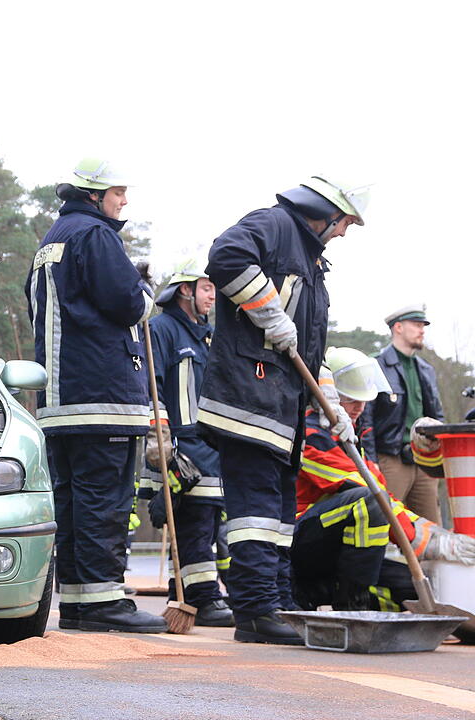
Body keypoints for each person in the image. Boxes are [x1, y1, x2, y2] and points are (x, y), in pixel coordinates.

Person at [198, 176, 370, 644]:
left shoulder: (312, 263)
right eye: (346, 223)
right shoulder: (273, 226)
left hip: (282, 411)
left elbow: (310, 355)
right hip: (248, 404)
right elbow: (226, 255)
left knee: (278, 516)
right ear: (326, 210)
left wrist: (334, 408)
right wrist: (269, 311)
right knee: (255, 511)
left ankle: (277, 603)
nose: (344, 233)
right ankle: (254, 612)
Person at [25, 157, 166, 633]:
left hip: (59, 402)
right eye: (118, 192)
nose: (124, 201)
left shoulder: (50, 242)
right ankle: (105, 601)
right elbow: (128, 302)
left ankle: (83, 603)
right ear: (94, 195)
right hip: (102, 396)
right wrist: (144, 288)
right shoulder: (96, 235)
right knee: (105, 502)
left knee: (72, 502)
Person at [293, 347, 475, 610]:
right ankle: (353, 606)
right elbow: (372, 496)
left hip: (336, 549)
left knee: (410, 589)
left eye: (364, 399)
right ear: (330, 394)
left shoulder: (351, 436)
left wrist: (434, 534)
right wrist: (429, 541)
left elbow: (384, 497)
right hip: (304, 544)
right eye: (350, 398)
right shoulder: (312, 433)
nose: (360, 407)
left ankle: (337, 595)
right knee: (367, 501)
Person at [139, 259, 233, 626]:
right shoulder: (161, 330)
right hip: (180, 445)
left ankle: (189, 590)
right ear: (186, 290)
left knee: (206, 523)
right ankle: (204, 599)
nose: (213, 296)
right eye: (207, 288)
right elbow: (152, 385)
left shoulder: (209, 336)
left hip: (211, 446)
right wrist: (160, 438)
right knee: (194, 523)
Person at [364, 304, 446, 524]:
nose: (422, 330)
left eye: (423, 326)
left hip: (423, 462)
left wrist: (439, 460)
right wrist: (372, 462)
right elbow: (365, 418)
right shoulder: (375, 365)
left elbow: (437, 416)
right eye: (417, 325)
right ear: (398, 327)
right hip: (390, 459)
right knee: (384, 524)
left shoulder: (426, 369)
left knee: (432, 530)